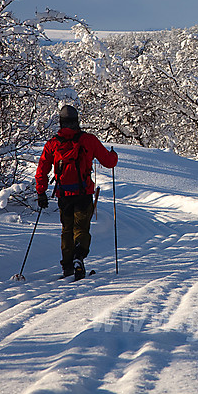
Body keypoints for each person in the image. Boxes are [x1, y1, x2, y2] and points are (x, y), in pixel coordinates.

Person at [35, 105, 118, 279]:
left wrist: (41, 192)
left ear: (61, 122)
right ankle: (79, 257)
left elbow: (42, 168)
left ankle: (67, 267)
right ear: (77, 121)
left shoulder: (53, 143)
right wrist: (114, 155)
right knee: (81, 228)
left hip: (63, 195)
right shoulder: (88, 140)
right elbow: (109, 162)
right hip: (83, 193)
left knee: (66, 230)